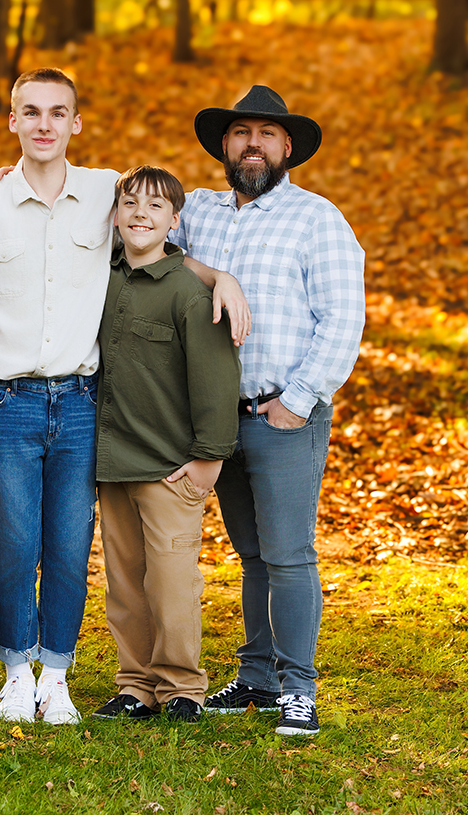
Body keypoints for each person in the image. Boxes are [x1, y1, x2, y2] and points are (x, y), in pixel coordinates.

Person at [0, 68, 249, 725]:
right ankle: (16, 674)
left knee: (67, 543)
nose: (44, 124)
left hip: (83, 401)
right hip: (7, 404)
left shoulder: (102, 192)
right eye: (29, 112)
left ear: (76, 123)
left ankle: (56, 676)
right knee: (14, 542)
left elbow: (151, 246)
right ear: (12, 122)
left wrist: (218, 274)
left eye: (58, 113)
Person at [169, 85, 365, 736]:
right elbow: (126, 217)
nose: (252, 143)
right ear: (224, 145)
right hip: (218, 420)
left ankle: (299, 689)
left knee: (288, 555)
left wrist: (299, 400)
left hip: (285, 416)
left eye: (266, 134)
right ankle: (256, 676)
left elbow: (343, 319)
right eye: (240, 133)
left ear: (287, 148)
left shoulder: (318, 219)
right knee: (251, 556)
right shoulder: (196, 212)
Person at [91, 166, 241, 724]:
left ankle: (181, 687)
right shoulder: (100, 280)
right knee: (125, 581)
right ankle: (135, 685)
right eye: (129, 204)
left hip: (172, 466)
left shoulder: (187, 290)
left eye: (155, 207)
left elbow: (216, 376)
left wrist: (210, 456)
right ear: (114, 215)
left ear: (175, 221)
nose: (140, 215)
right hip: (112, 462)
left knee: (173, 579)